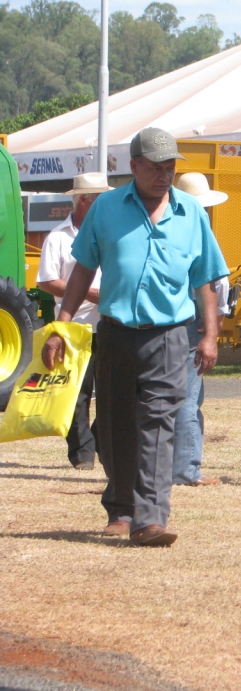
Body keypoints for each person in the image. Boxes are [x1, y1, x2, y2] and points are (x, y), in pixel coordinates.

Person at [41, 127, 229, 547]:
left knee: (158, 425)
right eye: (155, 168)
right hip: (115, 335)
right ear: (134, 167)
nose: (163, 175)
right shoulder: (106, 208)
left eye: (170, 168)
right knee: (114, 424)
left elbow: (206, 281)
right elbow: (83, 269)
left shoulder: (192, 214)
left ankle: (150, 518)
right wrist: (63, 324)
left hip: (169, 337)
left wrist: (210, 335)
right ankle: (121, 508)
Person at [36, 171, 110, 471]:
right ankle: (82, 454)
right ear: (83, 201)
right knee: (77, 395)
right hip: (74, 328)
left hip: (108, 325)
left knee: (110, 393)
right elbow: (47, 281)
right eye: (100, 201)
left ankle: (98, 444)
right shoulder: (57, 237)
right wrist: (88, 293)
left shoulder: (110, 233)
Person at [170, 172, 232, 487]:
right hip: (193, 326)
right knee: (188, 398)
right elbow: (218, 289)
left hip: (167, 324)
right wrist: (213, 332)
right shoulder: (203, 237)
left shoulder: (170, 230)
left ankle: (168, 465)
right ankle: (186, 469)